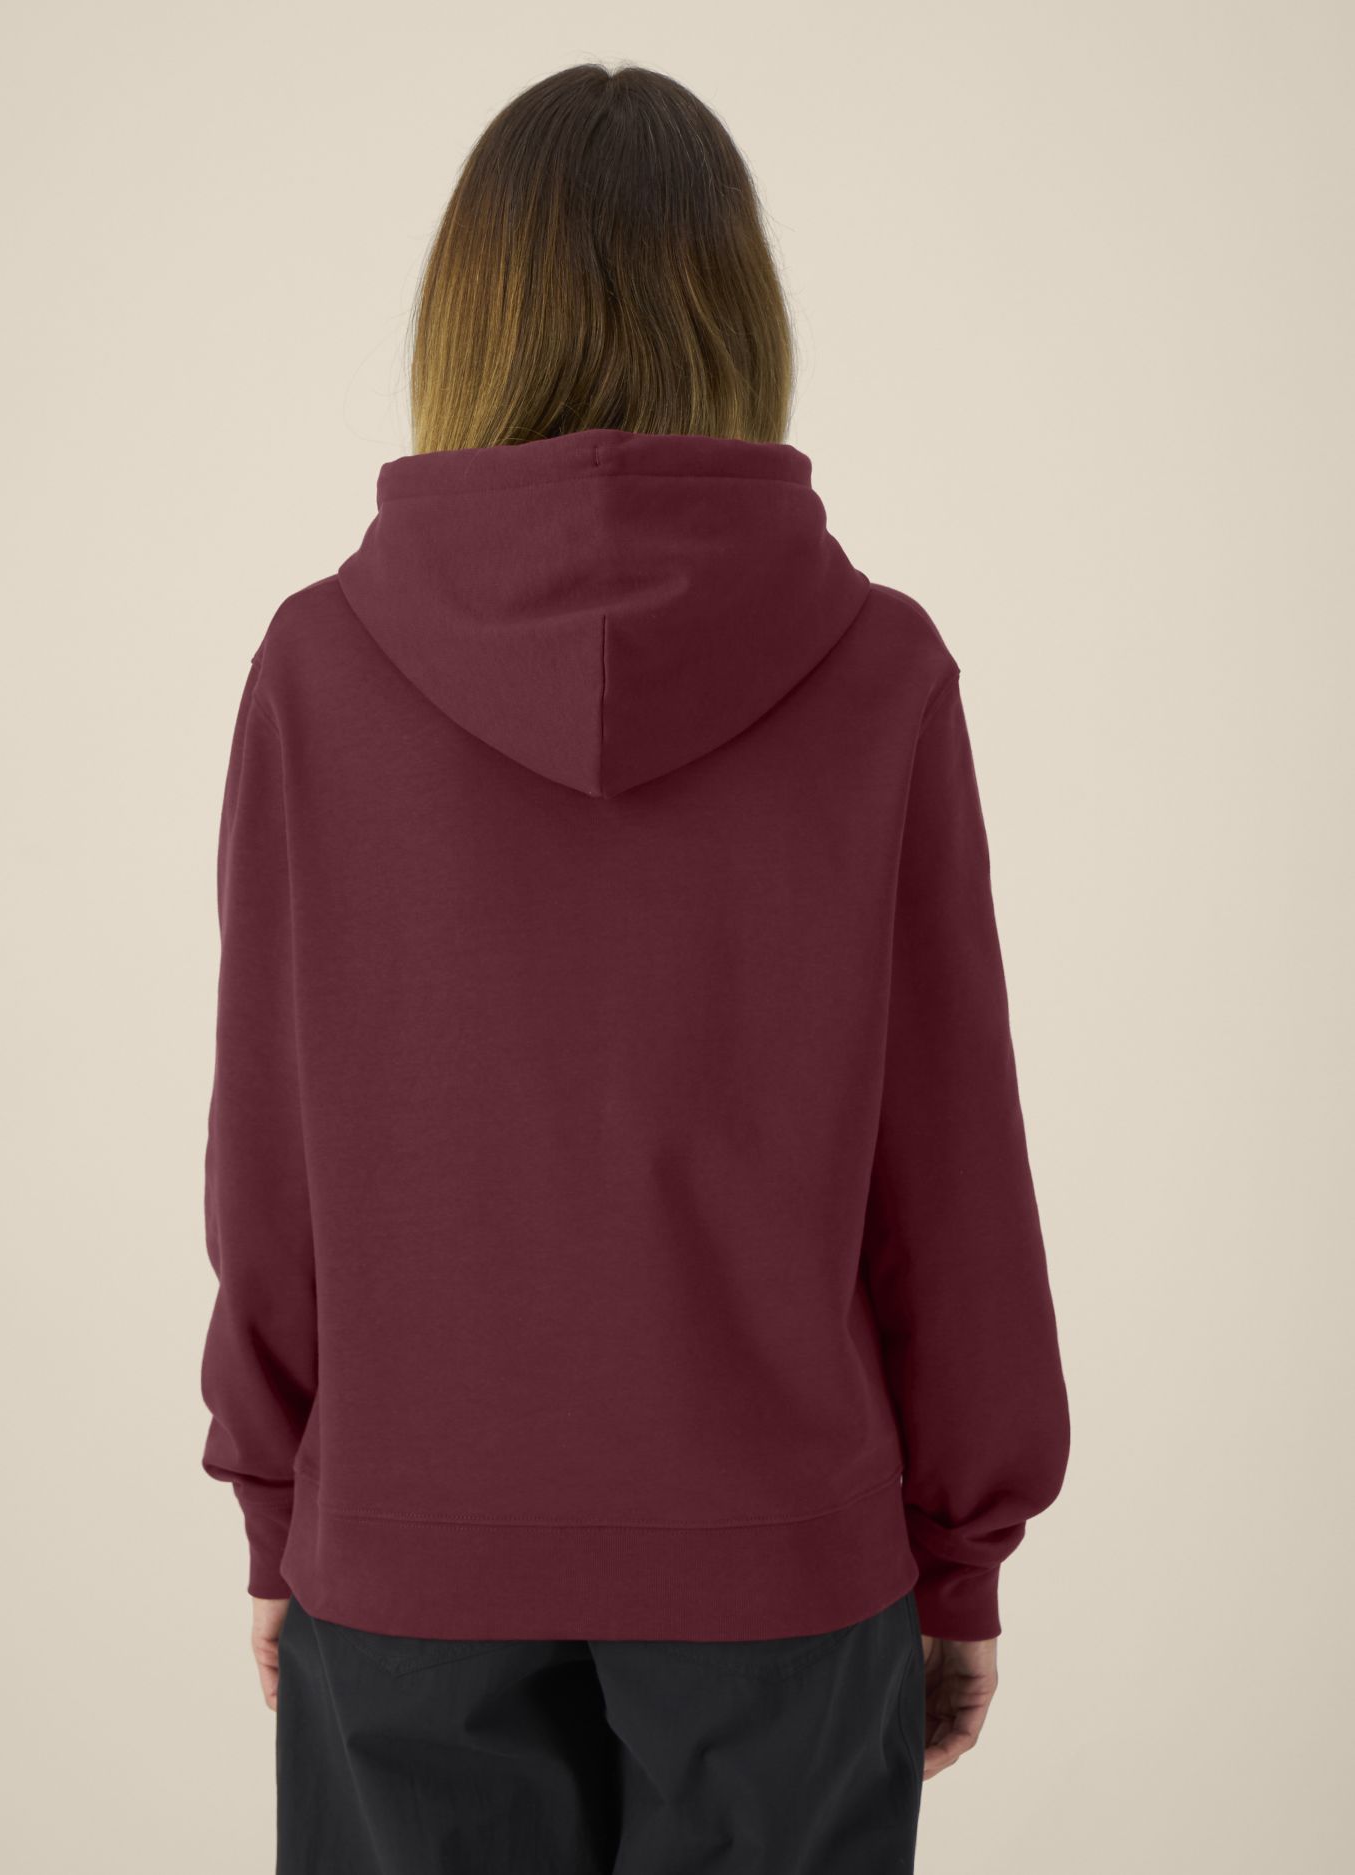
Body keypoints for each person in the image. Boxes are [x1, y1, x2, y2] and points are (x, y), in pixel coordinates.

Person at [198, 60, 1069, 1875]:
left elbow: (271, 1155)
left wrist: (280, 1505)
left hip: (410, 1569)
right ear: (737, 317)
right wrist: (960, 1551)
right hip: (782, 1577)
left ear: (468, 315)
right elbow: (953, 1170)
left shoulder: (320, 670)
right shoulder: (878, 673)